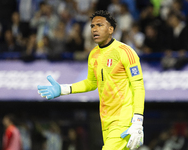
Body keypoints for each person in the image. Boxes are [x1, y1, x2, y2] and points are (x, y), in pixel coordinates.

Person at [37, 10, 145, 150]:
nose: (94, 29)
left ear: (111, 29)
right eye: (92, 26)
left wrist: (137, 121)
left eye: (100, 25)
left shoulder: (125, 52)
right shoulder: (93, 55)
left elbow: (138, 87)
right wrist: (64, 89)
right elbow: (91, 83)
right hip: (106, 121)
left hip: (124, 120)